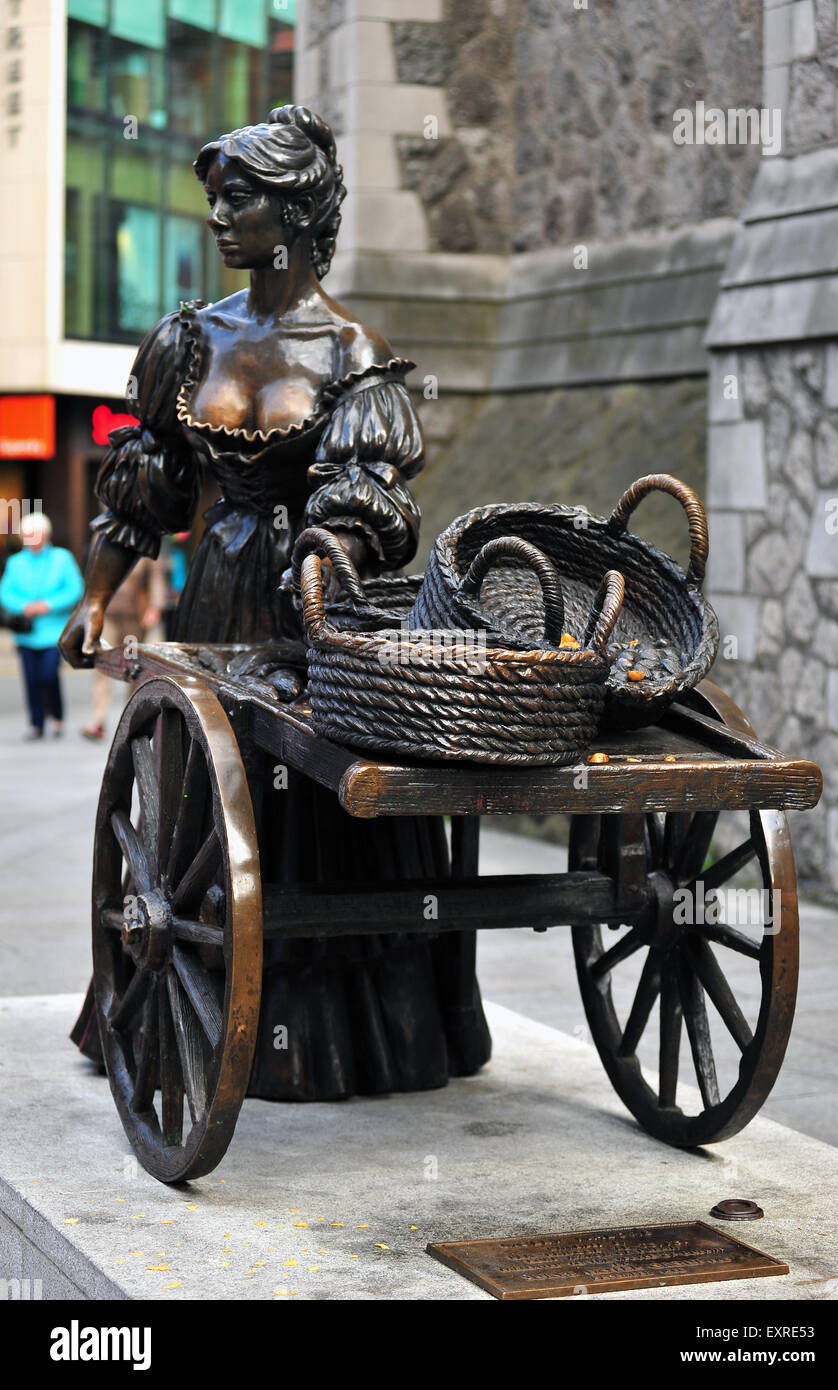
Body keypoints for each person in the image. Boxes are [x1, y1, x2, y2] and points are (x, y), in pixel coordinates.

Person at [60, 104, 491, 1101]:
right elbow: (147, 488)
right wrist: (96, 598)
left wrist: (331, 549)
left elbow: (370, 498)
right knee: (207, 798)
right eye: (214, 198)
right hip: (215, 601)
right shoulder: (188, 341)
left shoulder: (352, 353)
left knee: (320, 799)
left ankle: (334, 1037)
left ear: (295, 214)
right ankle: (184, 995)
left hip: (316, 605)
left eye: (239, 199)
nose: (217, 217)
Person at [0, 512, 83, 740]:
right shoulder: (16, 562)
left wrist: (48, 604)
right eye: (27, 535)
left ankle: (57, 715)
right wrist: (23, 606)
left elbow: (75, 589)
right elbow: (5, 592)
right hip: (26, 632)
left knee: (48, 674)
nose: (31, 539)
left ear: (46, 535)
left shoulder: (62, 558)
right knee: (31, 678)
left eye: (35, 534)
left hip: (54, 630)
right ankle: (36, 723)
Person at [80, 555, 166, 740]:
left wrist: (155, 607)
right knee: (102, 663)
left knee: (132, 667)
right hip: (107, 616)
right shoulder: (105, 540)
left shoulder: (145, 545)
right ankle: (98, 720)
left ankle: (130, 718)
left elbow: (156, 577)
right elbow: (94, 575)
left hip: (133, 619)